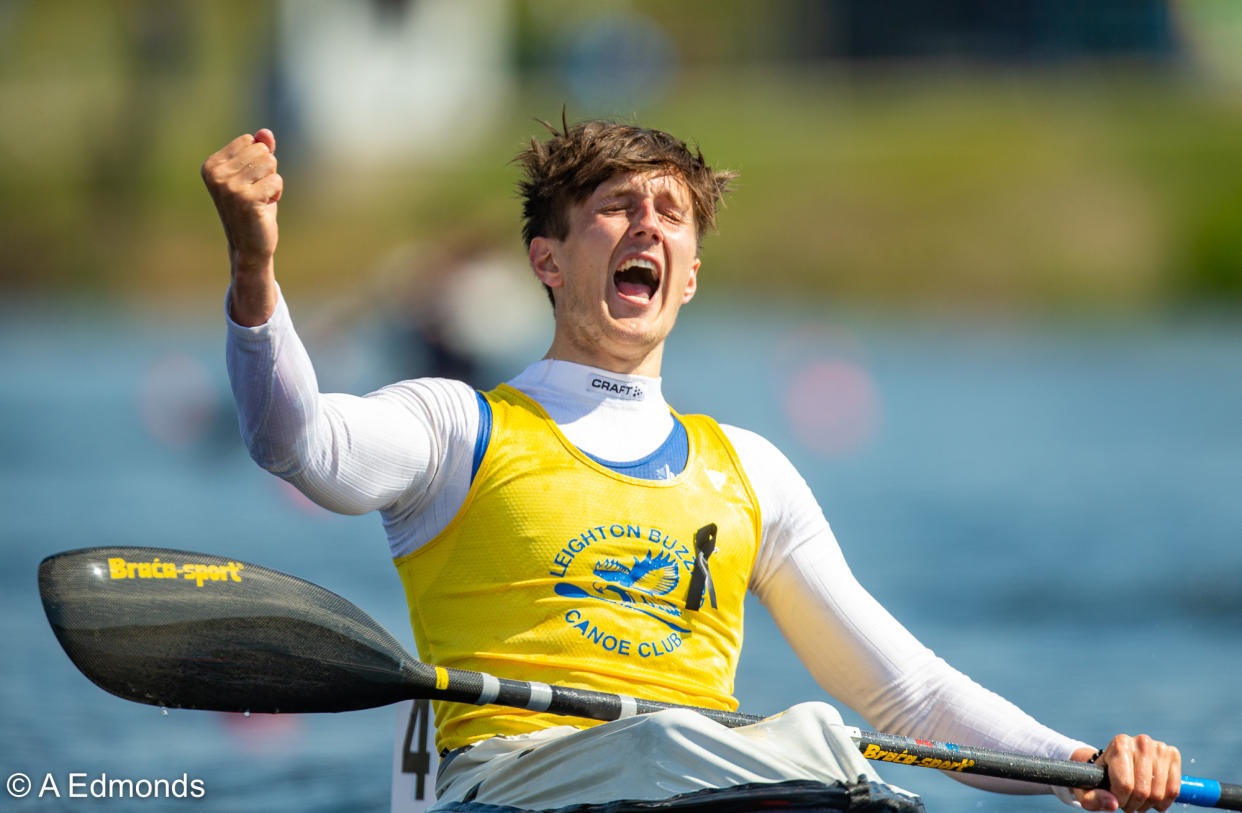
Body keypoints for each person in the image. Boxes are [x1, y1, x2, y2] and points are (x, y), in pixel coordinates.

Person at [203, 121, 1182, 813]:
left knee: (822, 745)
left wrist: (1086, 763)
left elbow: (912, 700)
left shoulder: (749, 471)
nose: (649, 227)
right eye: (617, 208)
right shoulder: (457, 426)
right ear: (547, 260)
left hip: (729, 784)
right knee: (746, 745)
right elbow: (297, 444)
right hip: (516, 783)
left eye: (671, 215)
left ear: (692, 272)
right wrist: (256, 269)